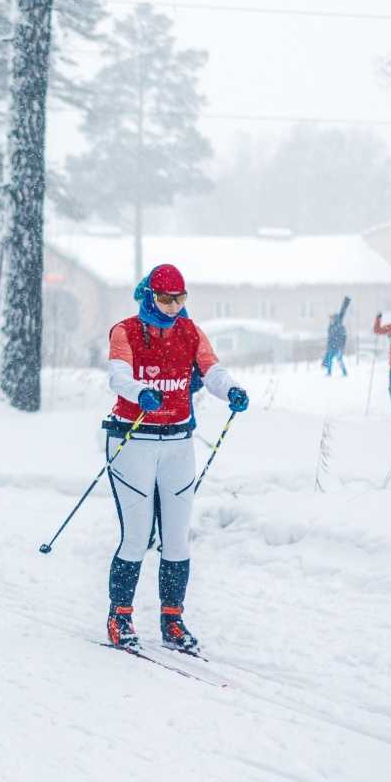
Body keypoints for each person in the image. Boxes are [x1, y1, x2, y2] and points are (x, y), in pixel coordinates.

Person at [102, 264, 247, 655]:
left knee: (178, 538)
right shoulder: (126, 331)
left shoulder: (190, 331)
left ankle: (172, 619)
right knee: (137, 536)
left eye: (181, 299)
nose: (174, 307)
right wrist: (140, 391)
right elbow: (117, 376)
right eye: (166, 299)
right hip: (133, 440)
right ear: (150, 296)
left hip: (178, 441)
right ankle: (120, 616)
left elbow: (212, 371)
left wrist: (231, 389)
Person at [322, 312, 348, 377]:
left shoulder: (340, 327)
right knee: (330, 359)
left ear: (335, 319)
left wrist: (341, 345)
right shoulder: (330, 327)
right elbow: (329, 337)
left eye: (332, 319)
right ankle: (329, 372)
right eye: (330, 319)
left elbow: (344, 337)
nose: (330, 320)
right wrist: (329, 345)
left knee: (339, 359)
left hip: (338, 347)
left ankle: (344, 372)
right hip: (332, 347)